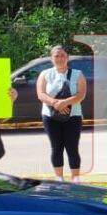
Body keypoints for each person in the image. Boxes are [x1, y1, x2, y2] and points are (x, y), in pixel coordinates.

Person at [37, 44, 87, 181]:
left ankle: (75, 179)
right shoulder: (45, 74)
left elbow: (81, 94)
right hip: (50, 116)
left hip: (73, 116)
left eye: (62, 55)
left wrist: (65, 102)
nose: (59, 58)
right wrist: (55, 103)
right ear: (51, 58)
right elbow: (40, 94)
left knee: (72, 147)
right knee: (56, 147)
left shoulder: (78, 74)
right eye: (56, 56)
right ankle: (60, 178)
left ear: (68, 57)